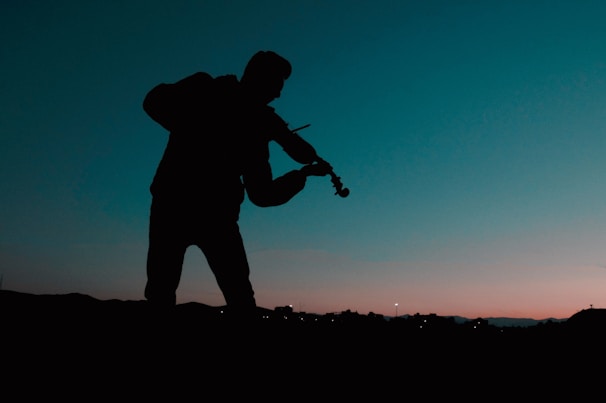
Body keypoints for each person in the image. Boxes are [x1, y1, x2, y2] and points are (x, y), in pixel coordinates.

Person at [142, 50, 331, 319]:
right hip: (188, 210)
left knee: (225, 294)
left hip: (199, 212)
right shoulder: (209, 90)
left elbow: (262, 193)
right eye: (276, 85)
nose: (278, 95)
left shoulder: (256, 127)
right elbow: (154, 102)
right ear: (259, 78)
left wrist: (301, 174)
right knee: (227, 295)